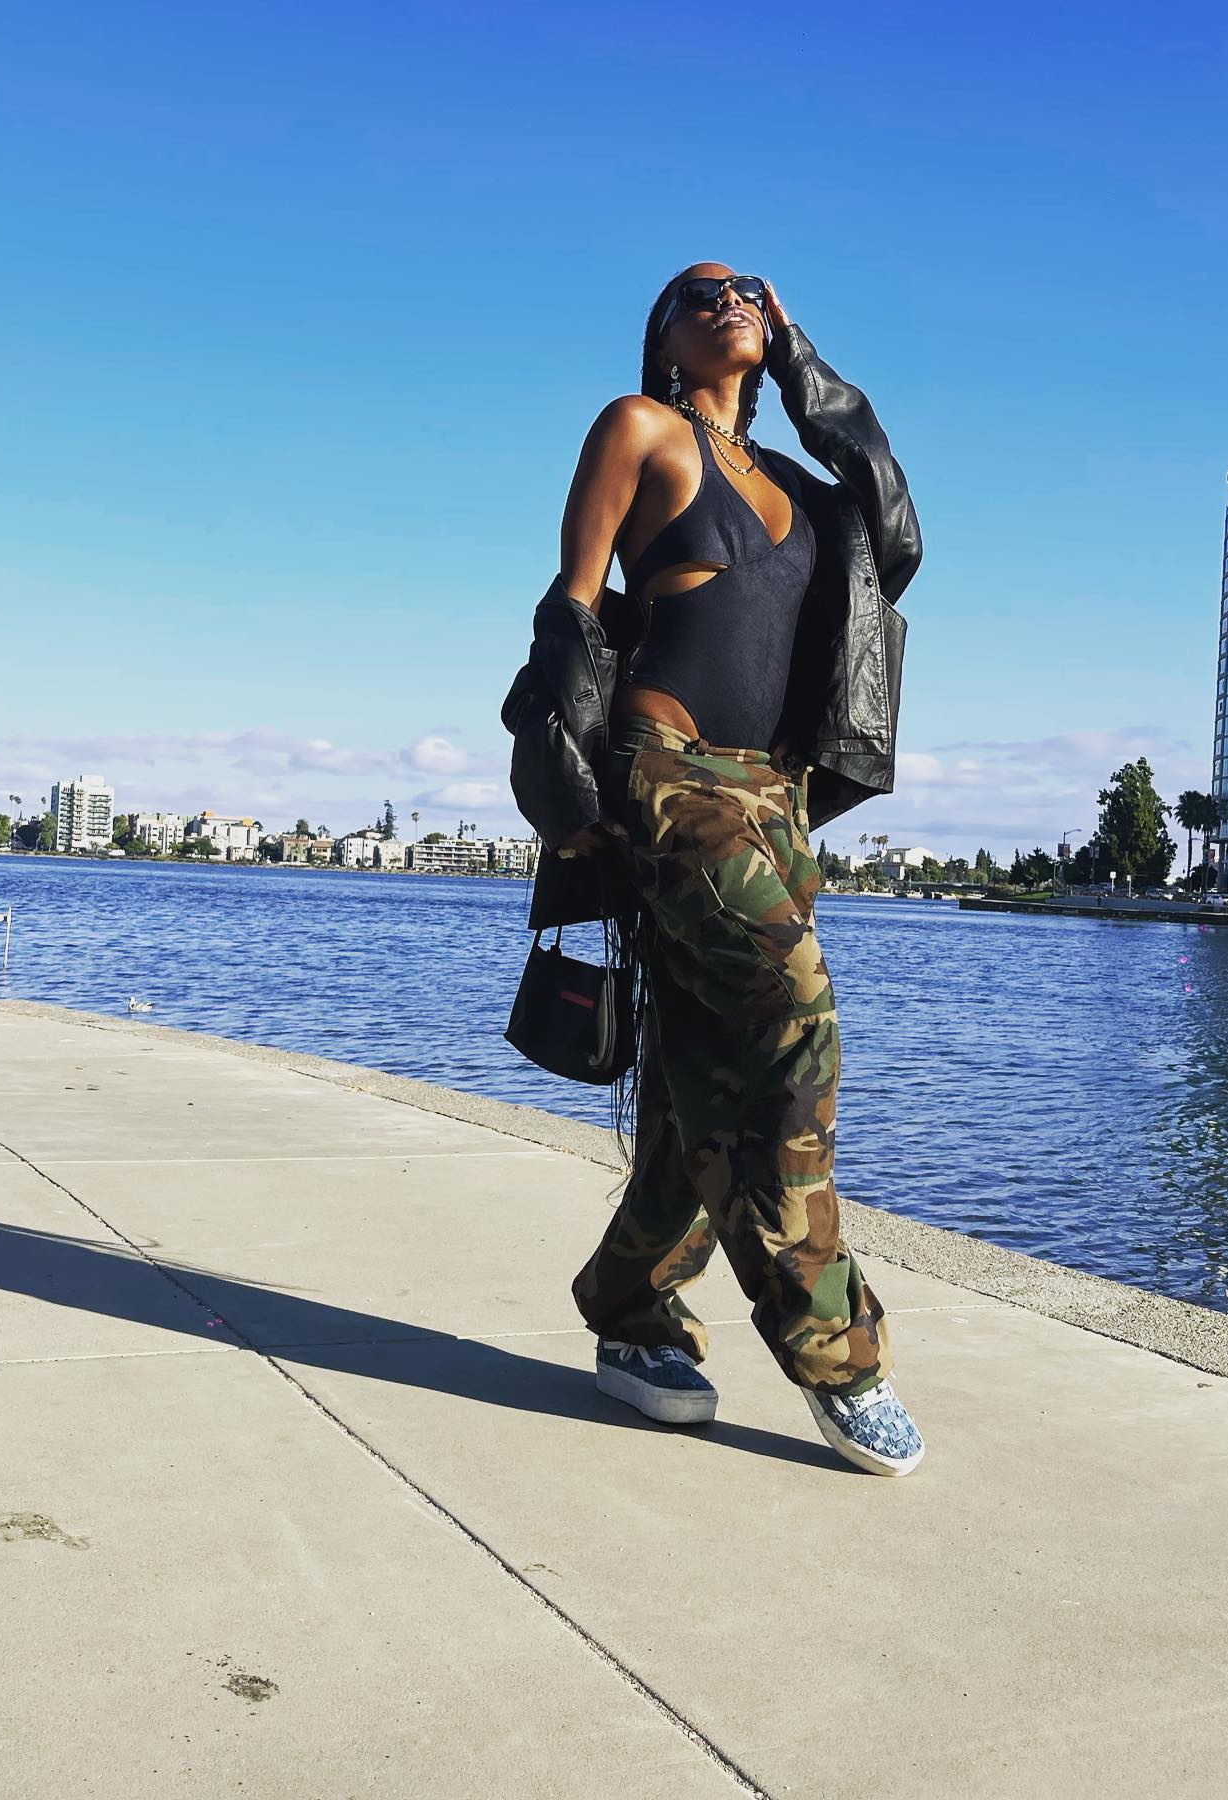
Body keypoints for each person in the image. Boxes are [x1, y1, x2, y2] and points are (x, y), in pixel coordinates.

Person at [501, 264, 925, 1475]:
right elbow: (573, 608)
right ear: (665, 338)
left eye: (747, 291)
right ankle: (834, 1346)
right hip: (668, 772)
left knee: (695, 1086)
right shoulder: (639, 428)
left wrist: (804, 369)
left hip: (776, 798)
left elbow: (898, 533)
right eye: (699, 294)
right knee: (794, 1018)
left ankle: (631, 1310)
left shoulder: (803, 484)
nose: (727, 299)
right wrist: (562, 788)